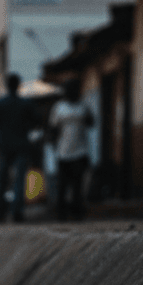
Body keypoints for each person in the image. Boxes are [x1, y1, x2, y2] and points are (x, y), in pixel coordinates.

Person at [0, 73, 40, 222]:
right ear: (19, 85)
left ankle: (0, 213)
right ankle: (17, 212)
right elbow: (36, 121)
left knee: (2, 181)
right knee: (19, 181)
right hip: (21, 146)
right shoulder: (26, 103)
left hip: (4, 146)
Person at [48, 78, 94, 220]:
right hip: (63, 151)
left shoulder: (83, 106)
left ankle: (77, 211)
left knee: (77, 183)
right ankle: (61, 213)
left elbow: (92, 122)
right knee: (63, 184)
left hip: (80, 151)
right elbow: (53, 129)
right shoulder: (59, 108)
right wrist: (54, 146)